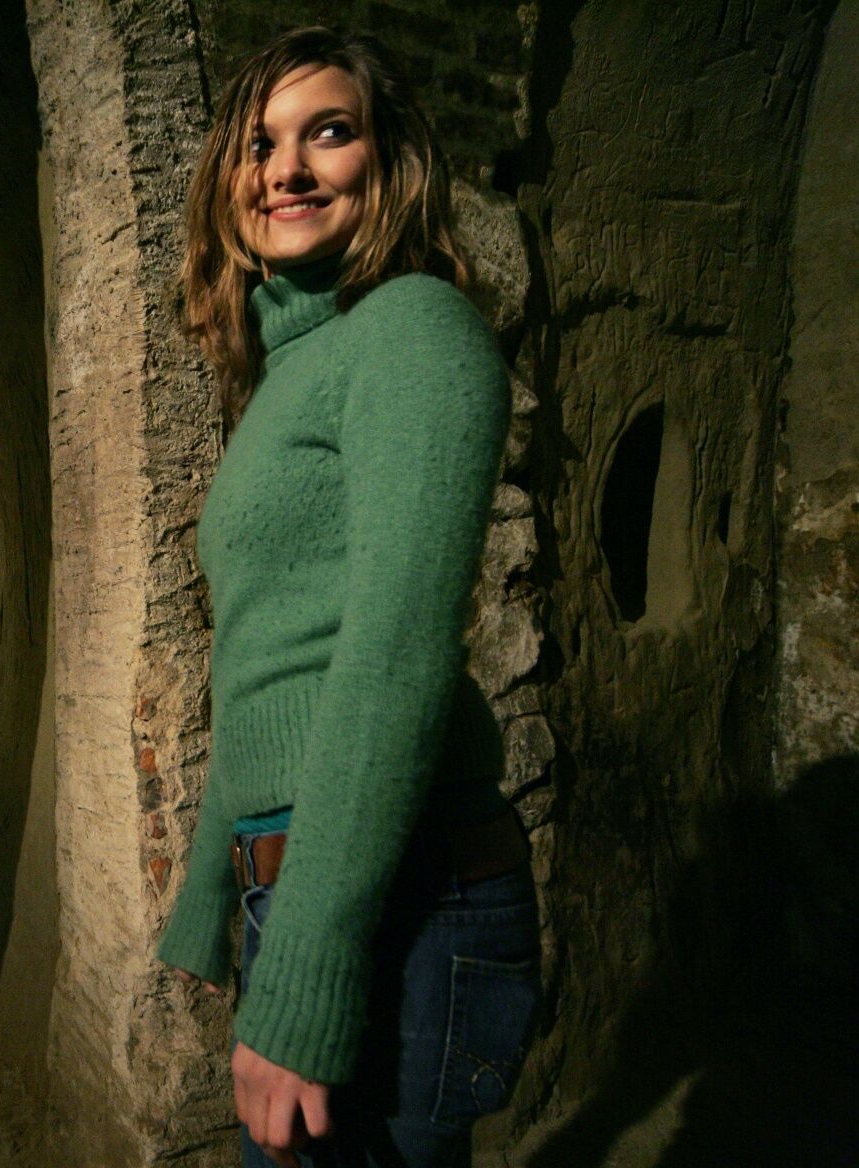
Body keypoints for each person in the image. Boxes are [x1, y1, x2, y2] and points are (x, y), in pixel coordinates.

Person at [155, 26, 541, 1168]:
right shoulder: (287, 375)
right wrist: (212, 888)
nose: (287, 168)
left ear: (390, 161)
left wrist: (306, 970)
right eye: (259, 144)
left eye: (328, 132)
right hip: (312, 868)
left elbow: (393, 652)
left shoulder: (413, 329)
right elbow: (266, 652)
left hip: (394, 884)